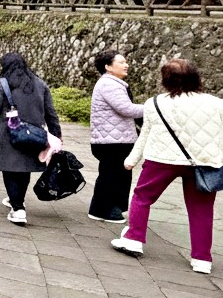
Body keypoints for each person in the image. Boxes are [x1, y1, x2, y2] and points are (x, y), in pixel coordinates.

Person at [114, 59, 223, 273]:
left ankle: (134, 238)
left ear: (165, 79)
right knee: (202, 209)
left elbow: (145, 134)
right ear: (196, 77)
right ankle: (202, 259)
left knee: (143, 197)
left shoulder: (155, 103)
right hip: (203, 162)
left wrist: (131, 160)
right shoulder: (217, 104)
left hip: (162, 159)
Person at [0, 53, 61, 225]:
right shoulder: (39, 84)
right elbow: (51, 113)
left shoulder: (2, 83)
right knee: (23, 169)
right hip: (33, 134)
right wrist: (56, 135)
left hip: (8, 133)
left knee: (10, 169)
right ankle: (16, 199)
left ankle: (18, 208)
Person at [88, 50, 144, 223]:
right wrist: (153, 107)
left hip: (115, 138)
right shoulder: (109, 84)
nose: (126, 65)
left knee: (116, 174)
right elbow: (126, 109)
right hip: (111, 140)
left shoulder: (114, 83)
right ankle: (102, 210)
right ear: (108, 67)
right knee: (112, 175)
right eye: (121, 62)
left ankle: (110, 208)